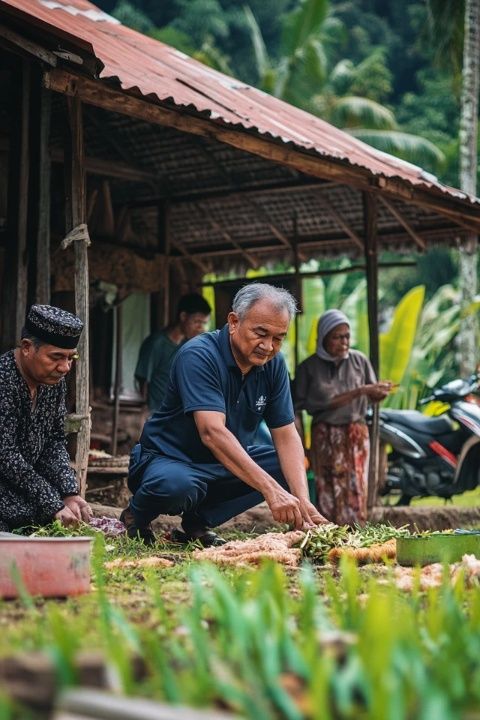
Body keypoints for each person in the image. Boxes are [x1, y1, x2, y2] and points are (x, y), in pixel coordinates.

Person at [121, 283, 327, 545]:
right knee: (177, 485)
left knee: (282, 465)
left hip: (221, 464)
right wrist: (271, 490)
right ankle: (136, 515)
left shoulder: (274, 364)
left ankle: (197, 523)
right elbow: (212, 432)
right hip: (171, 458)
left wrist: (303, 502)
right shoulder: (198, 354)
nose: (268, 346)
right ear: (233, 321)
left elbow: (286, 434)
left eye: (278, 338)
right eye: (260, 333)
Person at [294, 309, 392, 526]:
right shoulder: (309, 368)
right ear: (324, 338)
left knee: (356, 485)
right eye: (337, 337)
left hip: (355, 433)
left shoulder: (359, 361)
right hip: (324, 435)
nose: (343, 342)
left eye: (346, 336)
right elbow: (300, 407)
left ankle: (356, 535)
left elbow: (372, 396)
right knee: (327, 486)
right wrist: (301, 447)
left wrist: (378, 392)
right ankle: (330, 534)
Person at [0, 304, 92, 532]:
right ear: (27, 347)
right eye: (56, 357)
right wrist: (51, 501)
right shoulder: (3, 379)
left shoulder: (53, 384)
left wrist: (69, 492)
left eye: (71, 358)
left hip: (23, 486)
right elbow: (5, 454)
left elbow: (53, 441)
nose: (65, 367)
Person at [135, 293, 211, 412]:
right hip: (157, 414)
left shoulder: (189, 345)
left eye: (204, 323)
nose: (201, 328)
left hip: (177, 414)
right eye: (197, 321)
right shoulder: (156, 343)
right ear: (183, 316)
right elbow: (143, 381)